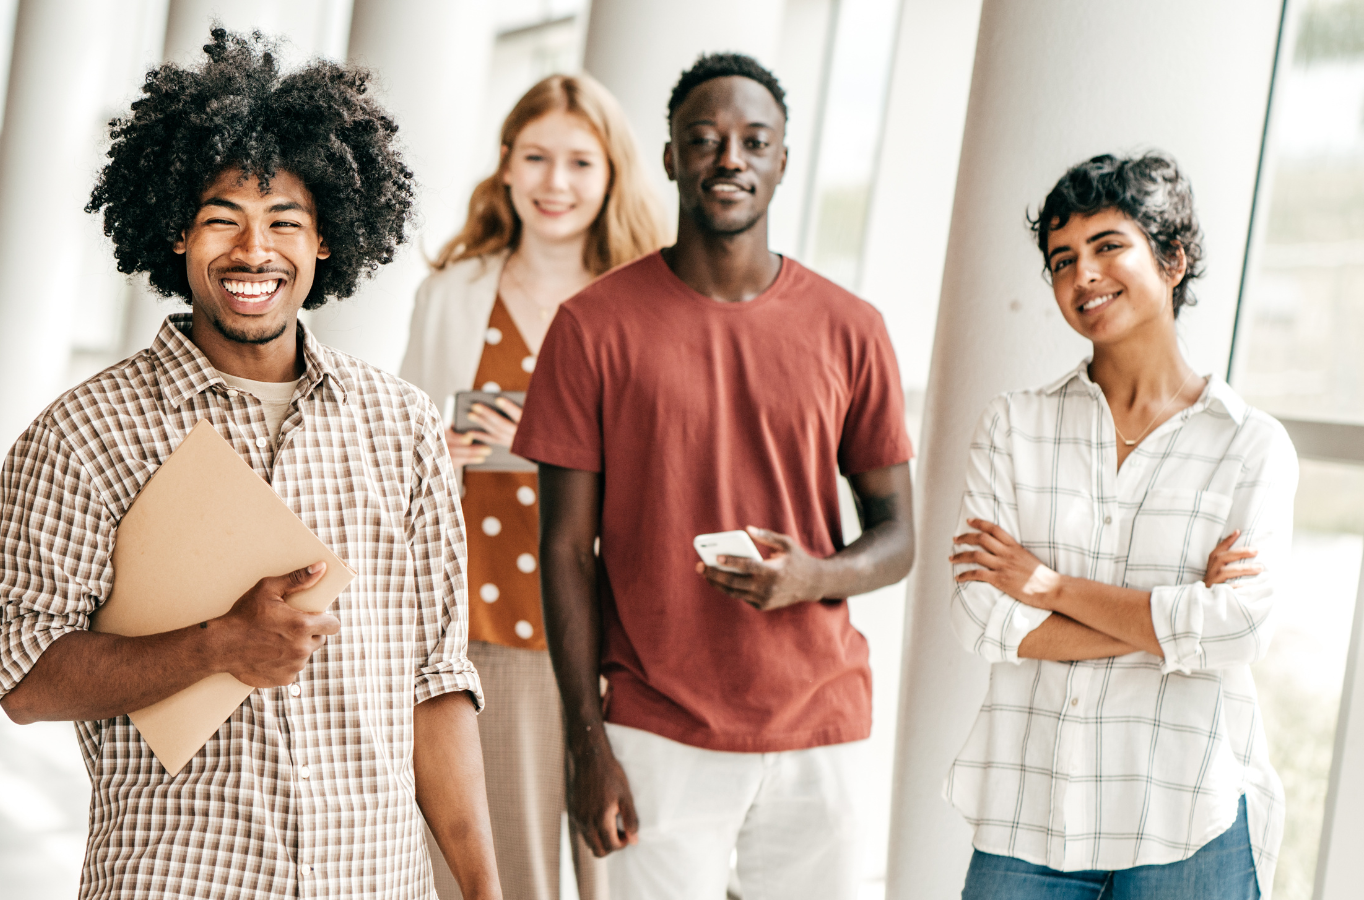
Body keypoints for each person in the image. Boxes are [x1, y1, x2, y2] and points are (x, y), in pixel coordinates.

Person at [0, 31, 500, 899]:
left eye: (284, 221)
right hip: (180, 882)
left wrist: (487, 889)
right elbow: (26, 680)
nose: (253, 250)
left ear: (327, 240)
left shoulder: (401, 426)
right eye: (222, 217)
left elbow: (436, 681)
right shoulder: (80, 435)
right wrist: (217, 645)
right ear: (176, 234)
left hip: (371, 882)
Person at [510, 53, 916, 900]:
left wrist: (813, 576)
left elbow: (898, 537)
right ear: (669, 158)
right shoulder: (591, 328)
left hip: (820, 727)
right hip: (658, 727)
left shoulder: (853, 328)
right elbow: (563, 551)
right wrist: (587, 743)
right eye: (705, 139)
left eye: (753, 141)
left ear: (781, 163)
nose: (729, 157)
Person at [946, 152, 1296, 900]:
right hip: (1027, 814)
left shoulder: (1249, 444)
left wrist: (1049, 586)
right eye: (1062, 260)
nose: (1083, 276)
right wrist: (1177, 618)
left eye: (1109, 247)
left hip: (1187, 816)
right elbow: (981, 616)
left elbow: (1238, 631)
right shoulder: (1015, 426)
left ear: (1173, 259)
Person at [399, 73, 665, 900]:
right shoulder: (451, 294)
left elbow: (672, 468)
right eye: (537, 157)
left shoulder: (652, 300)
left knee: (623, 867)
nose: (556, 182)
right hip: (486, 622)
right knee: (496, 870)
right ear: (506, 165)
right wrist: (436, 455)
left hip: (616, 630)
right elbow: (402, 451)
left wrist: (548, 446)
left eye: (580, 162)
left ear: (612, 174)